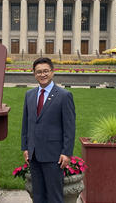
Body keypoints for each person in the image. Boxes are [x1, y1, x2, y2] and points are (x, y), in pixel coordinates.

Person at [21, 57, 76, 203]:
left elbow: (69, 127)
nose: (42, 74)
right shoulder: (29, 95)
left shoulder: (64, 96)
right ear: (34, 74)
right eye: (39, 72)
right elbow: (26, 124)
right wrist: (25, 147)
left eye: (46, 71)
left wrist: (67, 152)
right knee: (37, 195)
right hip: (34, 155)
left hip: (54, 155)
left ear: (52, 72)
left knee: (54, 196)